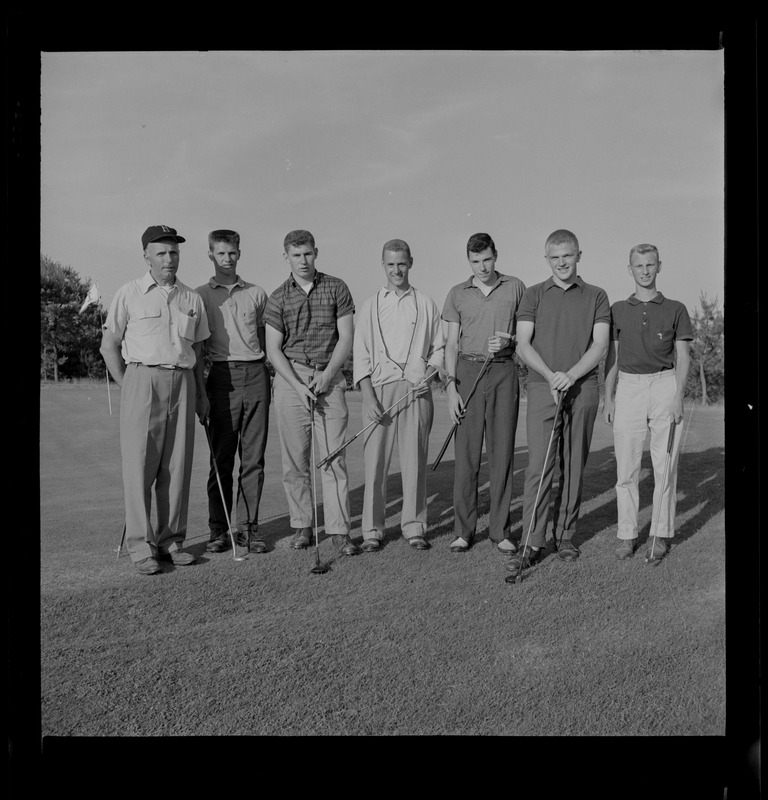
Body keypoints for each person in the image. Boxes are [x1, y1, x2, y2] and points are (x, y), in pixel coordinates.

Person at [100, 225, 210, 575]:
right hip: (142, 380)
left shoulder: (191, 298)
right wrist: (129, 384)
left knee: (176, 468)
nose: (169, 259)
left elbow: (198, 350)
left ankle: (171, 541)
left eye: (174, 252)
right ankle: (140, 546)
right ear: (146, 256)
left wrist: (201, 395)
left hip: (183, 381)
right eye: (161, 252)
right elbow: (109, 346)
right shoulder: (129, 293)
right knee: (139, 469)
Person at [507, 229, 610, 572]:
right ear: (546, 259)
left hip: (582, 388)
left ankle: (564, 535)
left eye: (568, 255)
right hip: (542, 387)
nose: (562, 262)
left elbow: (599, 346)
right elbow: (523, 344)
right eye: (555, 257)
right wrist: (552, 375)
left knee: (574, 464)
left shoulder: (596, 295)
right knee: (539, 466)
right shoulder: (534, 294)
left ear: (579, 254)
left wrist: (571, 375)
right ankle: (531, 540)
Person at [263, 230, 360, 556]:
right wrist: (298, 385)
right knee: (295, 463)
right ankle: (303, 526)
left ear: (315, 252)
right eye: (296, 255)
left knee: (334, 459)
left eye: (307, 254)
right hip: (292, 381)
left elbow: (346, 338)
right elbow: (273, 350)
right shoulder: (277, 297)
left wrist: (328, 374)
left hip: (329, 378)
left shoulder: (336, 287)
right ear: (286, 256)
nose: (302, 261)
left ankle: (339, 531)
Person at [353, 239, 446, 552]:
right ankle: (372, 531)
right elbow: (361, 354)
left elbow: (439, 350)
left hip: (416, 390)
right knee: (375, 463)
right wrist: (368, 396)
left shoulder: (425, 303)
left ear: (411, 263)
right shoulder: (371, 305)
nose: (396, 270)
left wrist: (430, 375)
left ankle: (414, 527)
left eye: (401, 263)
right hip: (379, 390)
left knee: (414, 462)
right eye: (390, 264)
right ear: (383, 265)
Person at [602, 243, 692, 562]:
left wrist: (679, 395)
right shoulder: (617, 309)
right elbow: (611, 357)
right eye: (638, 265)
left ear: (659, 266)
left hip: (665, 385)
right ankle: (627, 535)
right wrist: (608, 397)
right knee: (626, 468)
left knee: (664, 467)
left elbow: (683, 357)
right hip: (629, 386)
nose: (644, 270)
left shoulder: (676, 308)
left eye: (650, 264)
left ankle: (660, 534)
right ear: (630, 269)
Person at [441, 232, 526, 554]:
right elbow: (450, 344)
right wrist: (450, 388)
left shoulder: (516, 287)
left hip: (503, 370)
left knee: (502, 453)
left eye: (487, 259)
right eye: (475, 262)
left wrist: (510, 342)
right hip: (467, 372)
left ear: (496, 256)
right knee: (466, 457)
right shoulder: (457, 293)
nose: (482, 267)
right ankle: (464, 531)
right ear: (469, 261)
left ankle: (500, 531)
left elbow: (526, 333)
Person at [195, 230, 271, 555]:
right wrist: (201, 392)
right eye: (221, 253)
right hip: (221, 377)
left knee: (253, 460)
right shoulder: (200, 295)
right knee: (221, 460)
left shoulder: (257, 293)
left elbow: (266, 340)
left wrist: (271, 375)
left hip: (256, 374)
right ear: (211, 255)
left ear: (240, 253)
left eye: (233, 253)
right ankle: (219, 530)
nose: (227, 259)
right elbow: (198, 351)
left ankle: (249, 530)